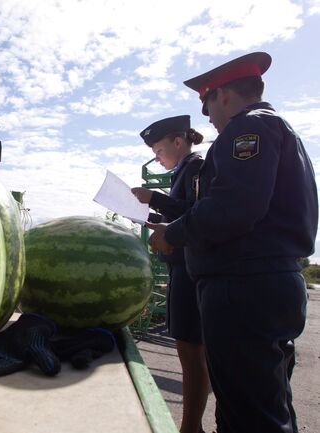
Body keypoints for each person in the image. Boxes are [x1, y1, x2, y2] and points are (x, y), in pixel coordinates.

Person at [147, 52, 318, 433]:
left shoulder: (248, 130)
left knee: (248, 415)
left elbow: (232, 207)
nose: (206, 117)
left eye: (206, 102)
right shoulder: (275, 129)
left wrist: (171, 233)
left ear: (222, 94)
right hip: (266, 283)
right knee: (265, 406)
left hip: (244, 289)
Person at [132, 115, 210, 433]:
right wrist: (146, 213)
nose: (158, 158)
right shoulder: (183, 170)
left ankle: (190, 427)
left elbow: (197, 214)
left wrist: (154, 197)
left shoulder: (196, 166)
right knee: (186, 349)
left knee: (192, 352)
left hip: (192, 271)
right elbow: (176, 216)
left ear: (178, 142)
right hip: (182, 267)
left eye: (159, 150)